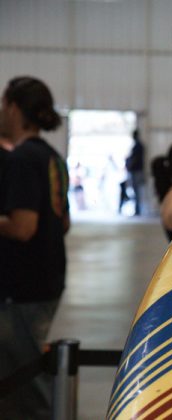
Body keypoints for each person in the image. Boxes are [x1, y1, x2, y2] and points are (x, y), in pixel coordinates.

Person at [0, 76, 70, 419]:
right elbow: (64, 222)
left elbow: (23, 227)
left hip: (23, 286)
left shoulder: (22, 159)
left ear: (13, 108)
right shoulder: (52, 157)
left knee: (24, 384)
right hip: (48, 278)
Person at [125, 128, 145, 216]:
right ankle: (138, 209)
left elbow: (134, 159)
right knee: (137, 191)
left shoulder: (137, 146)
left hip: (136, 171)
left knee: (136, 191)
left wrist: (129, 165)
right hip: (138, 170)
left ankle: (138, 210)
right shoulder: (139, 145)